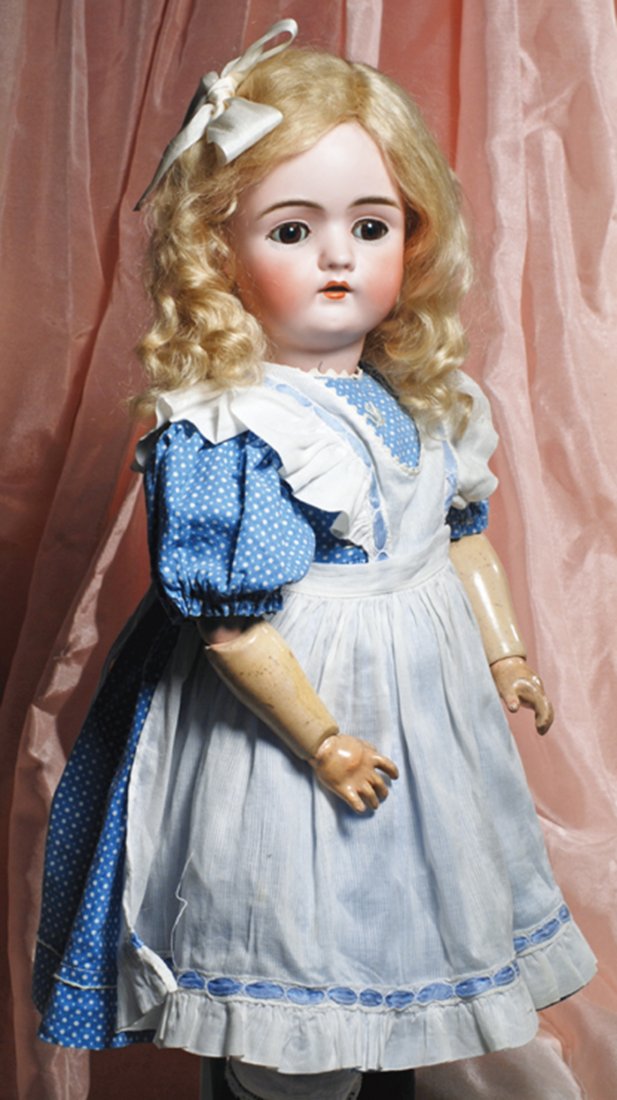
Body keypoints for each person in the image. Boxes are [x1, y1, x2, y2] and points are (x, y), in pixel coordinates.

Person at [33, 20, 596, 1100]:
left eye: (369, 224)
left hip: (424, 717)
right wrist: (326, 740)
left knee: (396, 937)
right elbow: (231, 622)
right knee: (293, 930)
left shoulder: (422, 398)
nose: (338, 255)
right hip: (286, 716)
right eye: (292, 229)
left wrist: (505, 653)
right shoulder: (233, 427)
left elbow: (459, 536)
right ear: (218, 252)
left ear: (412, 238)